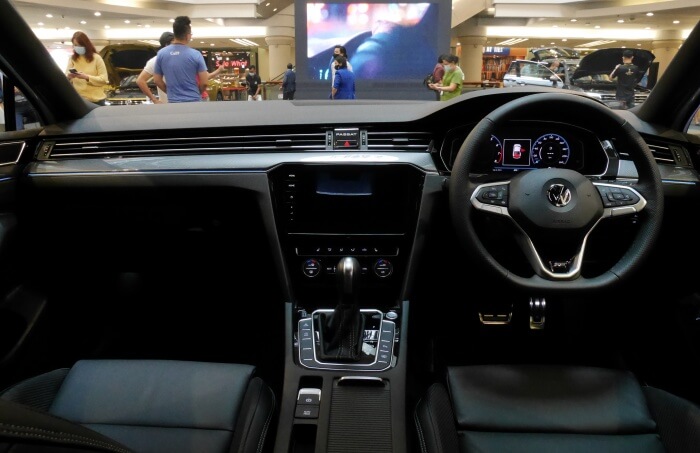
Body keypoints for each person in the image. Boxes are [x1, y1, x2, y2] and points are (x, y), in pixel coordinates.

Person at [153, 16, 208, 103]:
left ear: (174, 34)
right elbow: (204, 82)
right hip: (194, 100)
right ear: (188, 36)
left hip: (173, 101)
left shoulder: (161, 54)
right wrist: (197, 93)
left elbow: (157, 80)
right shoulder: (196, 54)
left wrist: (170, 92)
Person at [65, 31, 108, 106]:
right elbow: (65, 77)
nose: (77, 47)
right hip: (79, 100)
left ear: (86, 45)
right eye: (75, 45)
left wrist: (86, 77)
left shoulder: (97, 58)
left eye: (80, 45)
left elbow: (104, 79)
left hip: (96, 100)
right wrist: (69, 76)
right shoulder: (72, 59)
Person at [136, 31, 174, 104]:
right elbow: (140, 81)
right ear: (167, 45)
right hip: (166, 104)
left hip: (181, 102)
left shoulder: (180, 58)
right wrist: (154, 100)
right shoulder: (155, 60)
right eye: (174, 44)